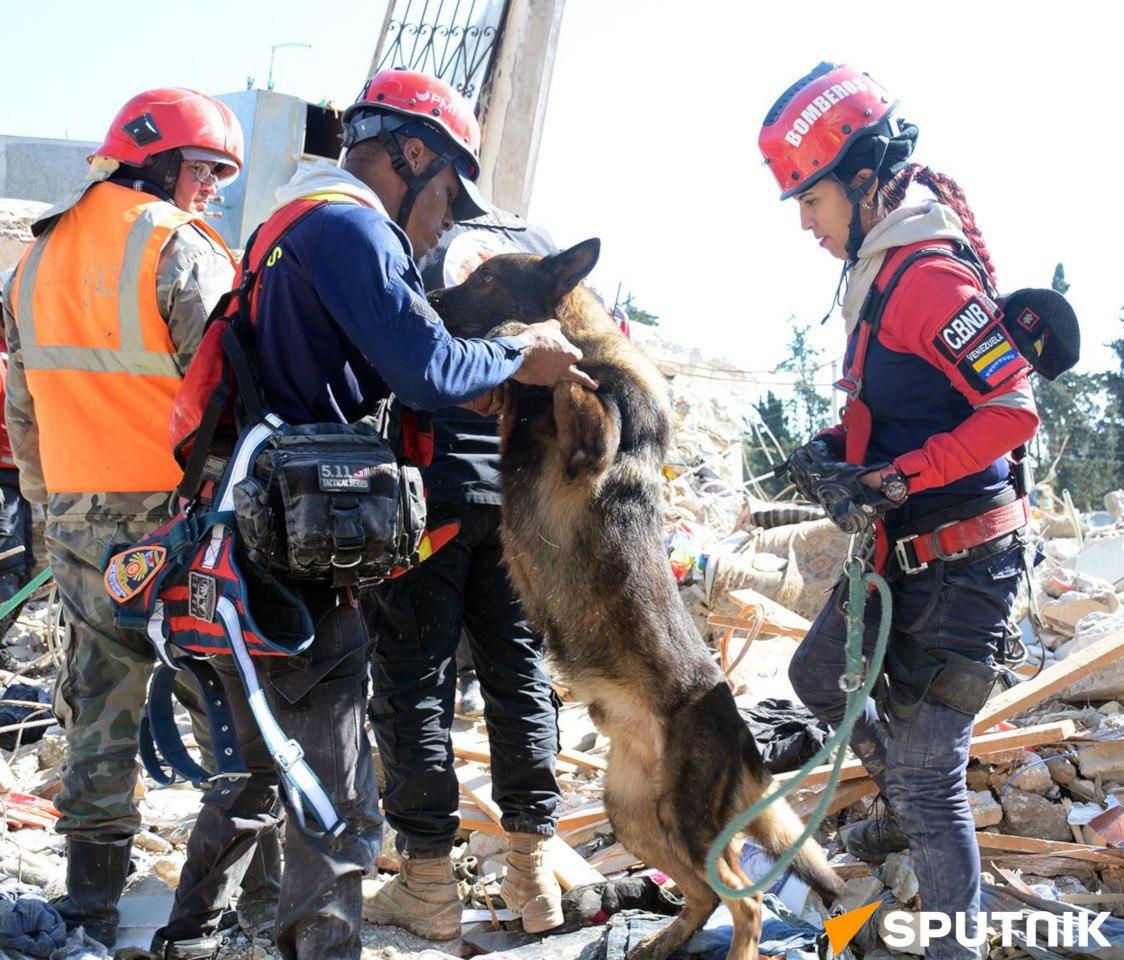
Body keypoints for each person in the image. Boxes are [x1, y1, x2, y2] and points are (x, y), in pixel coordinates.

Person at [165, 68, 592, 960]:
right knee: (337, 784)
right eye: (445, 189)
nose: (446, 215)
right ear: (410, 153)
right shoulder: (353, 228)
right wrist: (517, 357)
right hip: (309, 538)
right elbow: (427, 368)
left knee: (258, 756)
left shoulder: (286, 227)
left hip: (267, 521)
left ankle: (187, 935)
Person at [758, 63, 1039, 958]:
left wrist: (896, 478)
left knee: (931, 781)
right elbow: (908, 403)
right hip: (902, 551)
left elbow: (1013, 407)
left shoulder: (925, 277)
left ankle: (950, 925)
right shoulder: (877, 273)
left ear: (866, 178)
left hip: (962, 566)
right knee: (814, 680)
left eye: (812, 197)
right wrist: (841, 445)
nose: (804, 219)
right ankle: (907, 811)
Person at [1, 88, 280, 952]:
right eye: (205, 169)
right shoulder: (177, 247)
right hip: (179, 526)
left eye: (224, 175)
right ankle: (261, 904)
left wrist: (51, 507)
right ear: (155, 160)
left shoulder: (34, 262)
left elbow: (21, 408)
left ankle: (89, 903)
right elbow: (229, 387)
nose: (214, 191)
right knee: (233, 707)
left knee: (99, 708)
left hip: (79, 521)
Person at [365, 209, 565, 939]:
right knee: (518, 674)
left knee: (415, 676)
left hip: (433, 494)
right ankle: (533, 876)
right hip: (518, 500)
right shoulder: (537, 249)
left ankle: (425, 883)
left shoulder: (414, 246)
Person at [0, 271, 36, 636]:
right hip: (7, 478)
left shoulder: (25, 353)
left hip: (21, 477)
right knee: (8, 563)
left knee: (21, 564)